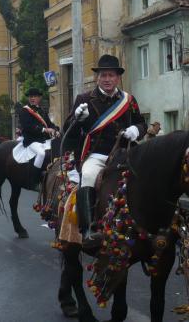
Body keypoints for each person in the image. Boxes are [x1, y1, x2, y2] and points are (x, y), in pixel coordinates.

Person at [64, 55, 147, 240]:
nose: (107, 79)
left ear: (118, 78)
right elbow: (67, 130)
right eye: (104, 75)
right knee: (87, 175)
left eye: (111, 75)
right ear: (97, 78)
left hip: (125, 153)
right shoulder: (84, 99)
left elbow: (142, 123)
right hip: (96, 154)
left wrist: (137, 130)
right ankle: (87, 229)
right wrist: (77, 119)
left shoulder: (129, 100)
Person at [17, 87, 59, 183]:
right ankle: (34, 178)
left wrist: (56, 130)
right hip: (31, 140)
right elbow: (28, 127)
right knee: (41, 153)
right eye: (31, 96)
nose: (32, 98)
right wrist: (44, 129)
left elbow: (50, 124)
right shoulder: (24, 111)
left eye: (35, 96)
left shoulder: (42, 111)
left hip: (44, 140)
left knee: (56, 151)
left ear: (39, 98)